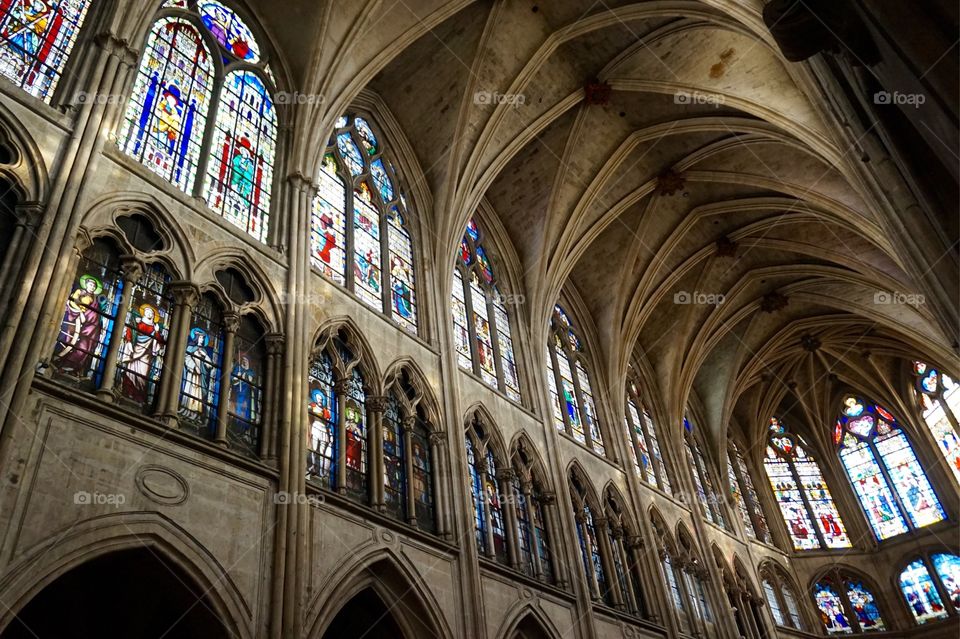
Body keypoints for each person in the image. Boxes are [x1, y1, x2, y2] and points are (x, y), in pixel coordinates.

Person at [118, 303, 165, 404]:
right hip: (135, 351)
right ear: (144, 313)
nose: (149, 313)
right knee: (130, 371)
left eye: (151, 313)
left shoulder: (155, 327)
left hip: (146, 356)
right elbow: (130, 330)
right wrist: (129, 342)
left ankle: (139, 396)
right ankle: (128, 392)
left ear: (154, 316)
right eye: (147, 311)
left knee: (143, 375)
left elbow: (160, 342)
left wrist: (157, 332)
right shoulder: (138, 324)